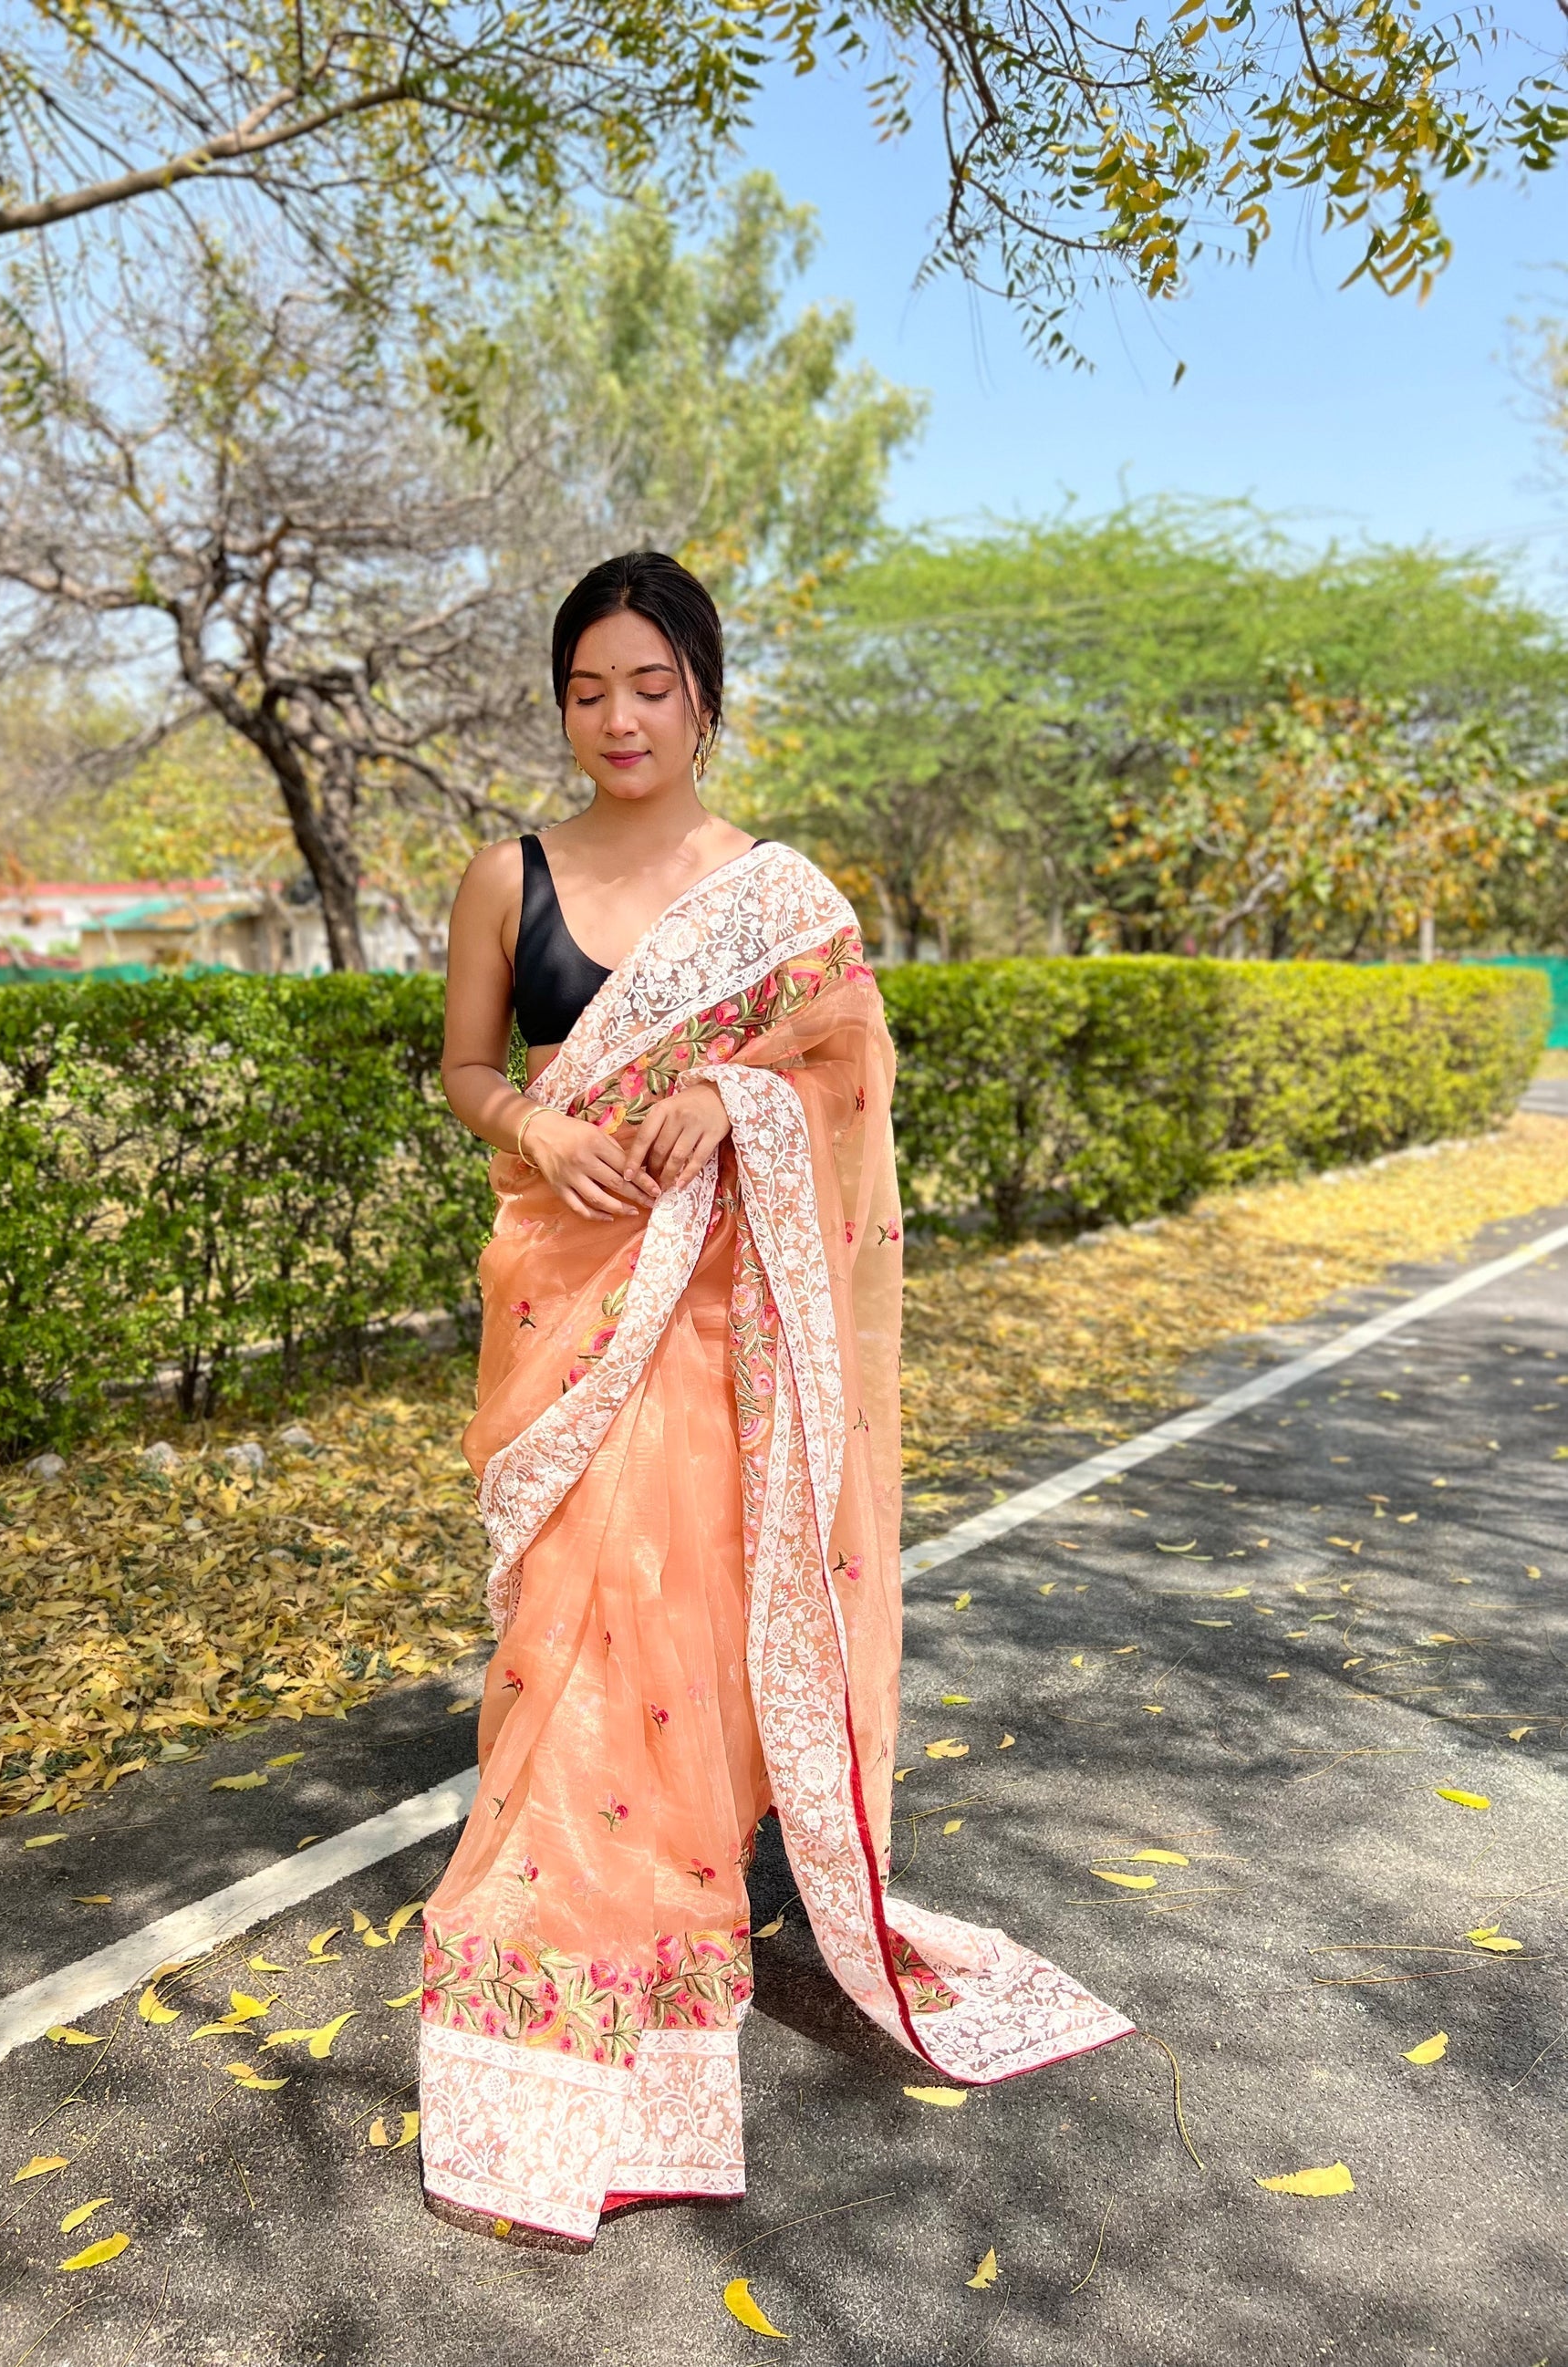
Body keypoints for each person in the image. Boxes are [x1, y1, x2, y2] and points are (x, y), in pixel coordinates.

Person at [421, 550, 1129, 2248]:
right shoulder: (500, 875)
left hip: (722, 1330)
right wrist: (541, 1127)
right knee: (570, 1641)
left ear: (703, 696)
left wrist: (731, 1098)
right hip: (571, 1313)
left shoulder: (775, 895)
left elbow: (850, 1074)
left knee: (677, 1640)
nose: (617, 720)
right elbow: (463, 1070)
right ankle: (577, 1961)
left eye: (649, 686)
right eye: (587, 691)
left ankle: (677, 1921)